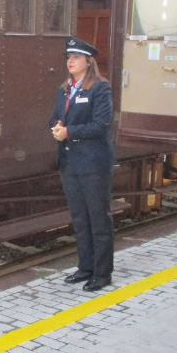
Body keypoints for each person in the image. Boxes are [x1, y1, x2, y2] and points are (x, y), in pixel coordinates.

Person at [49, 36, 114, 292]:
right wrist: (55, 127)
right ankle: (85, 267)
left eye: (75, 57)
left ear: (88, 61)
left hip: (93, 163)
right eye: (68, 57)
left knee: (98, 218)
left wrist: (69, 132)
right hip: (70, 163)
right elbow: (54, 117)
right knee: (79, 218)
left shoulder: (100, 88)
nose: (70, 62)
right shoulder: (64, 89)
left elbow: (100, 125)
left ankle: (102, 273)